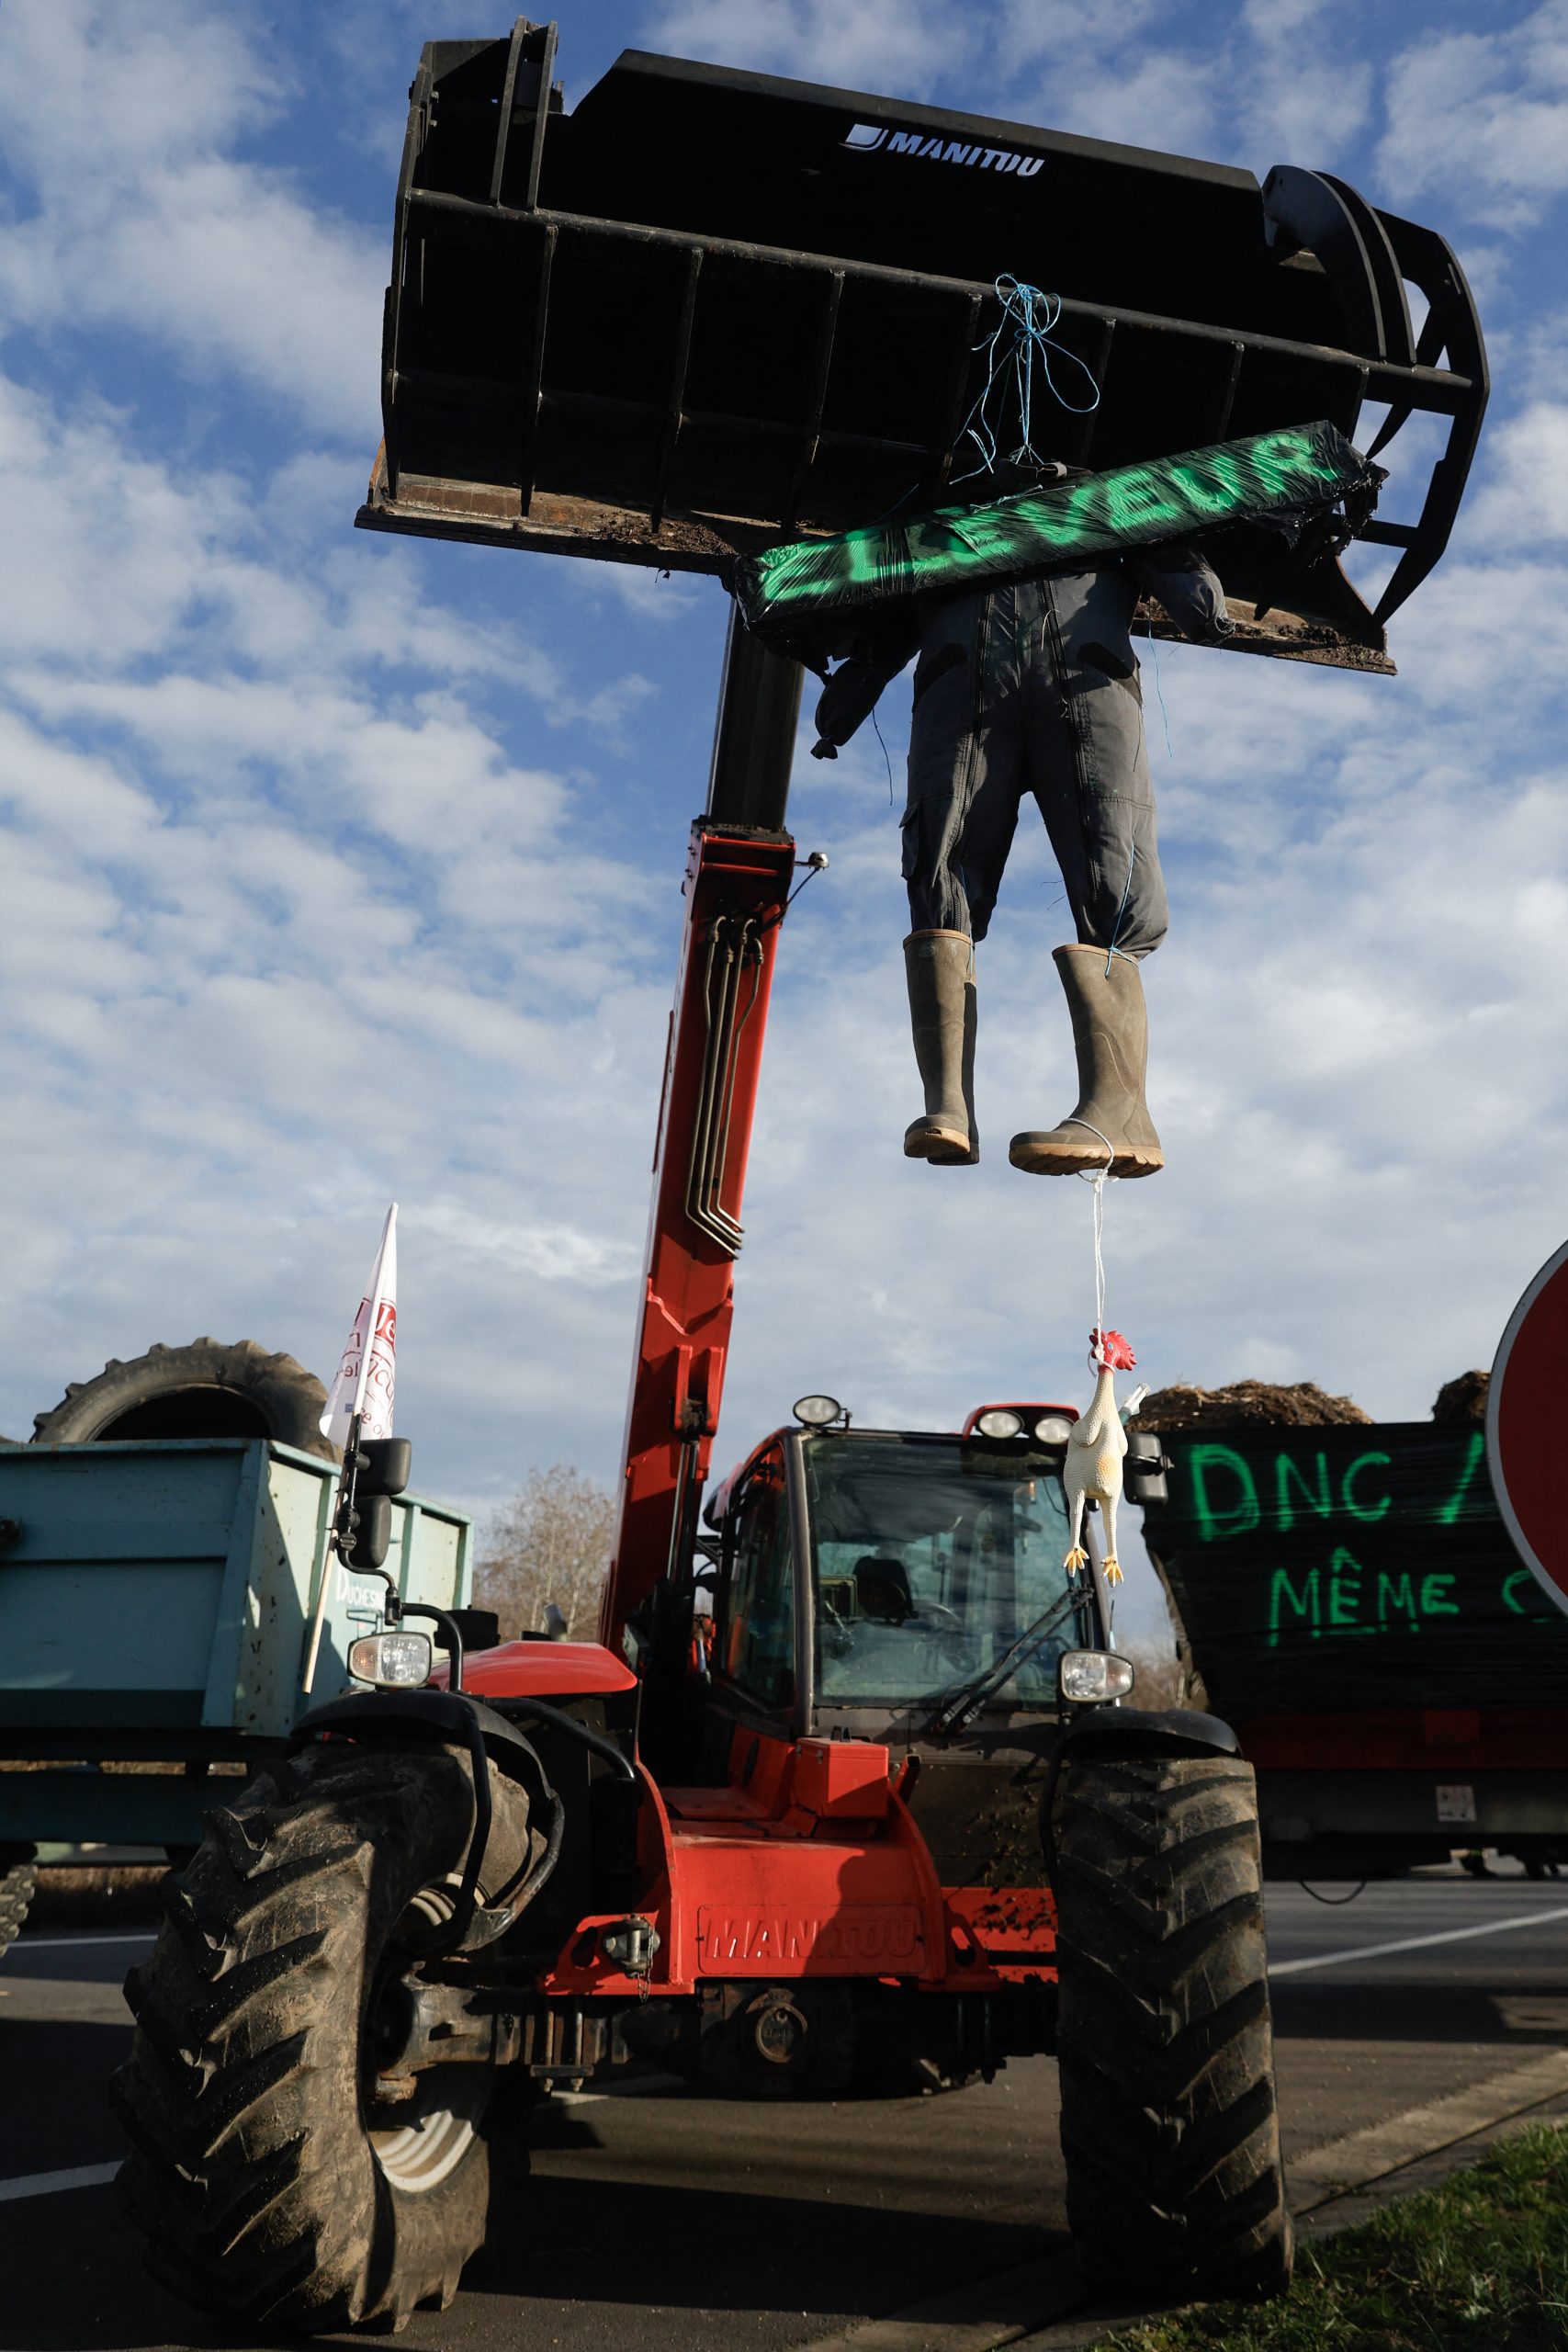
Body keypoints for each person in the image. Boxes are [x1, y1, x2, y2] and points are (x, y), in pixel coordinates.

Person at [812, 473, 1230, 1176]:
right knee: (941, 864)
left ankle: (1119, 1108)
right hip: (963, 696)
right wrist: (841, 709)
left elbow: (1196, 596)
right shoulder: (934, 530)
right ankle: (947, 1104)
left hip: (1081, 684)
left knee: (1112, 861)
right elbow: (880, 640)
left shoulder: (1113, 504)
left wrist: (1191, 579)